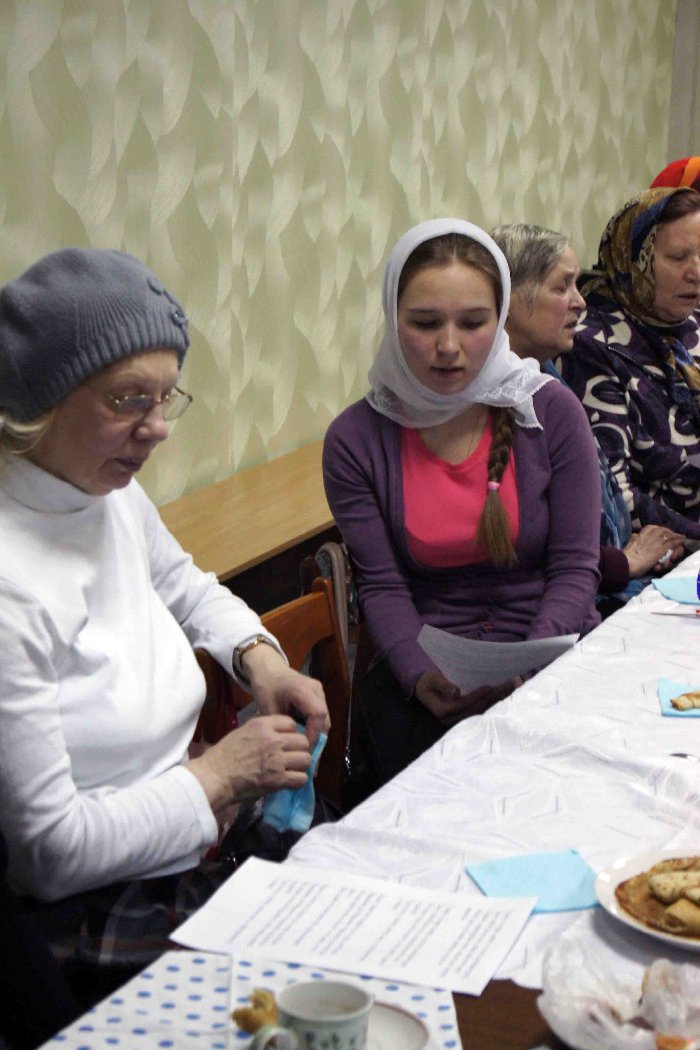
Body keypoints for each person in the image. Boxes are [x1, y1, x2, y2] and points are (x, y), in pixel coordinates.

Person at [0, 248, 330, 993]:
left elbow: (184, 585)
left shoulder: (104, 489)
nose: (157, 429)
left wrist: (259, 657)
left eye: (166, 397)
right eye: (127, 400)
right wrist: (216, 778)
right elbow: (49, 856)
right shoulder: (11, 585)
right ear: (41, 399)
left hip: (186, 841)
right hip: (88, 916)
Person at [323, 219, 601, 794]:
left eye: (473, 323)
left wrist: (528, 668)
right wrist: (419, 676)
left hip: (552, 660)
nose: (448, 346)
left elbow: (576, 567)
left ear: (500, 321)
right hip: (429, 679)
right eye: (425, 323)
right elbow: (382, 586)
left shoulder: (550, 412)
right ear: (392, 318)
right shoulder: (357, 440)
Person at [491, 222, 686, 609]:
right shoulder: (497, 400)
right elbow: (526, 549)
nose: (580, 302)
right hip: (562, 602)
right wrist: (623, 562)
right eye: (562, 287)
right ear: (508, 298)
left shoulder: (545, 374)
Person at [555, 187, 700, 538]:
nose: (696, 272)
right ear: (634, 258)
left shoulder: (693, 324)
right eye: (678, 257)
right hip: (664, 547)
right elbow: (614, 495)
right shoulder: (590, 345)